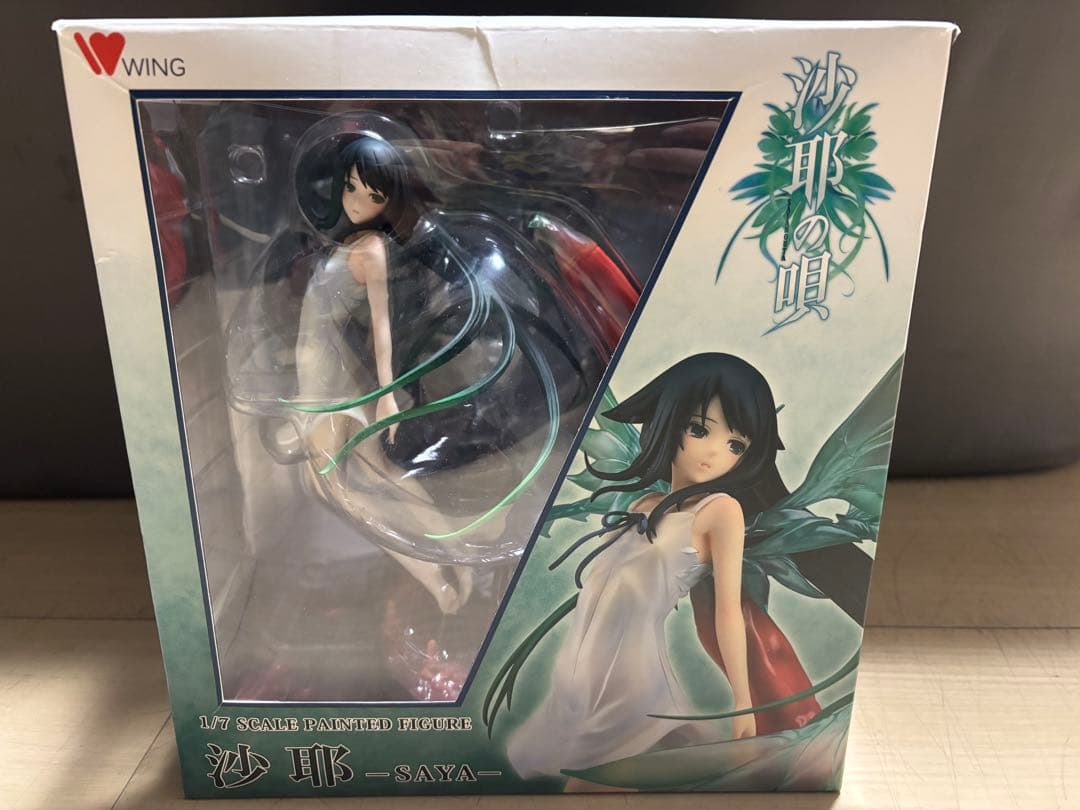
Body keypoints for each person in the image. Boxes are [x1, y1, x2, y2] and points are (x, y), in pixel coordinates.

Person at [506, 353, 821, 788]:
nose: (714, 453)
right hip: (581, 667)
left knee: (590, 783)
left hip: (631, 673)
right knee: (593, 781)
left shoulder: (721, 511)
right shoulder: (644, 505)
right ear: (668, 421)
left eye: (736, 445)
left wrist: (743, 700)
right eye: (699, 430)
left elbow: (727, 611)